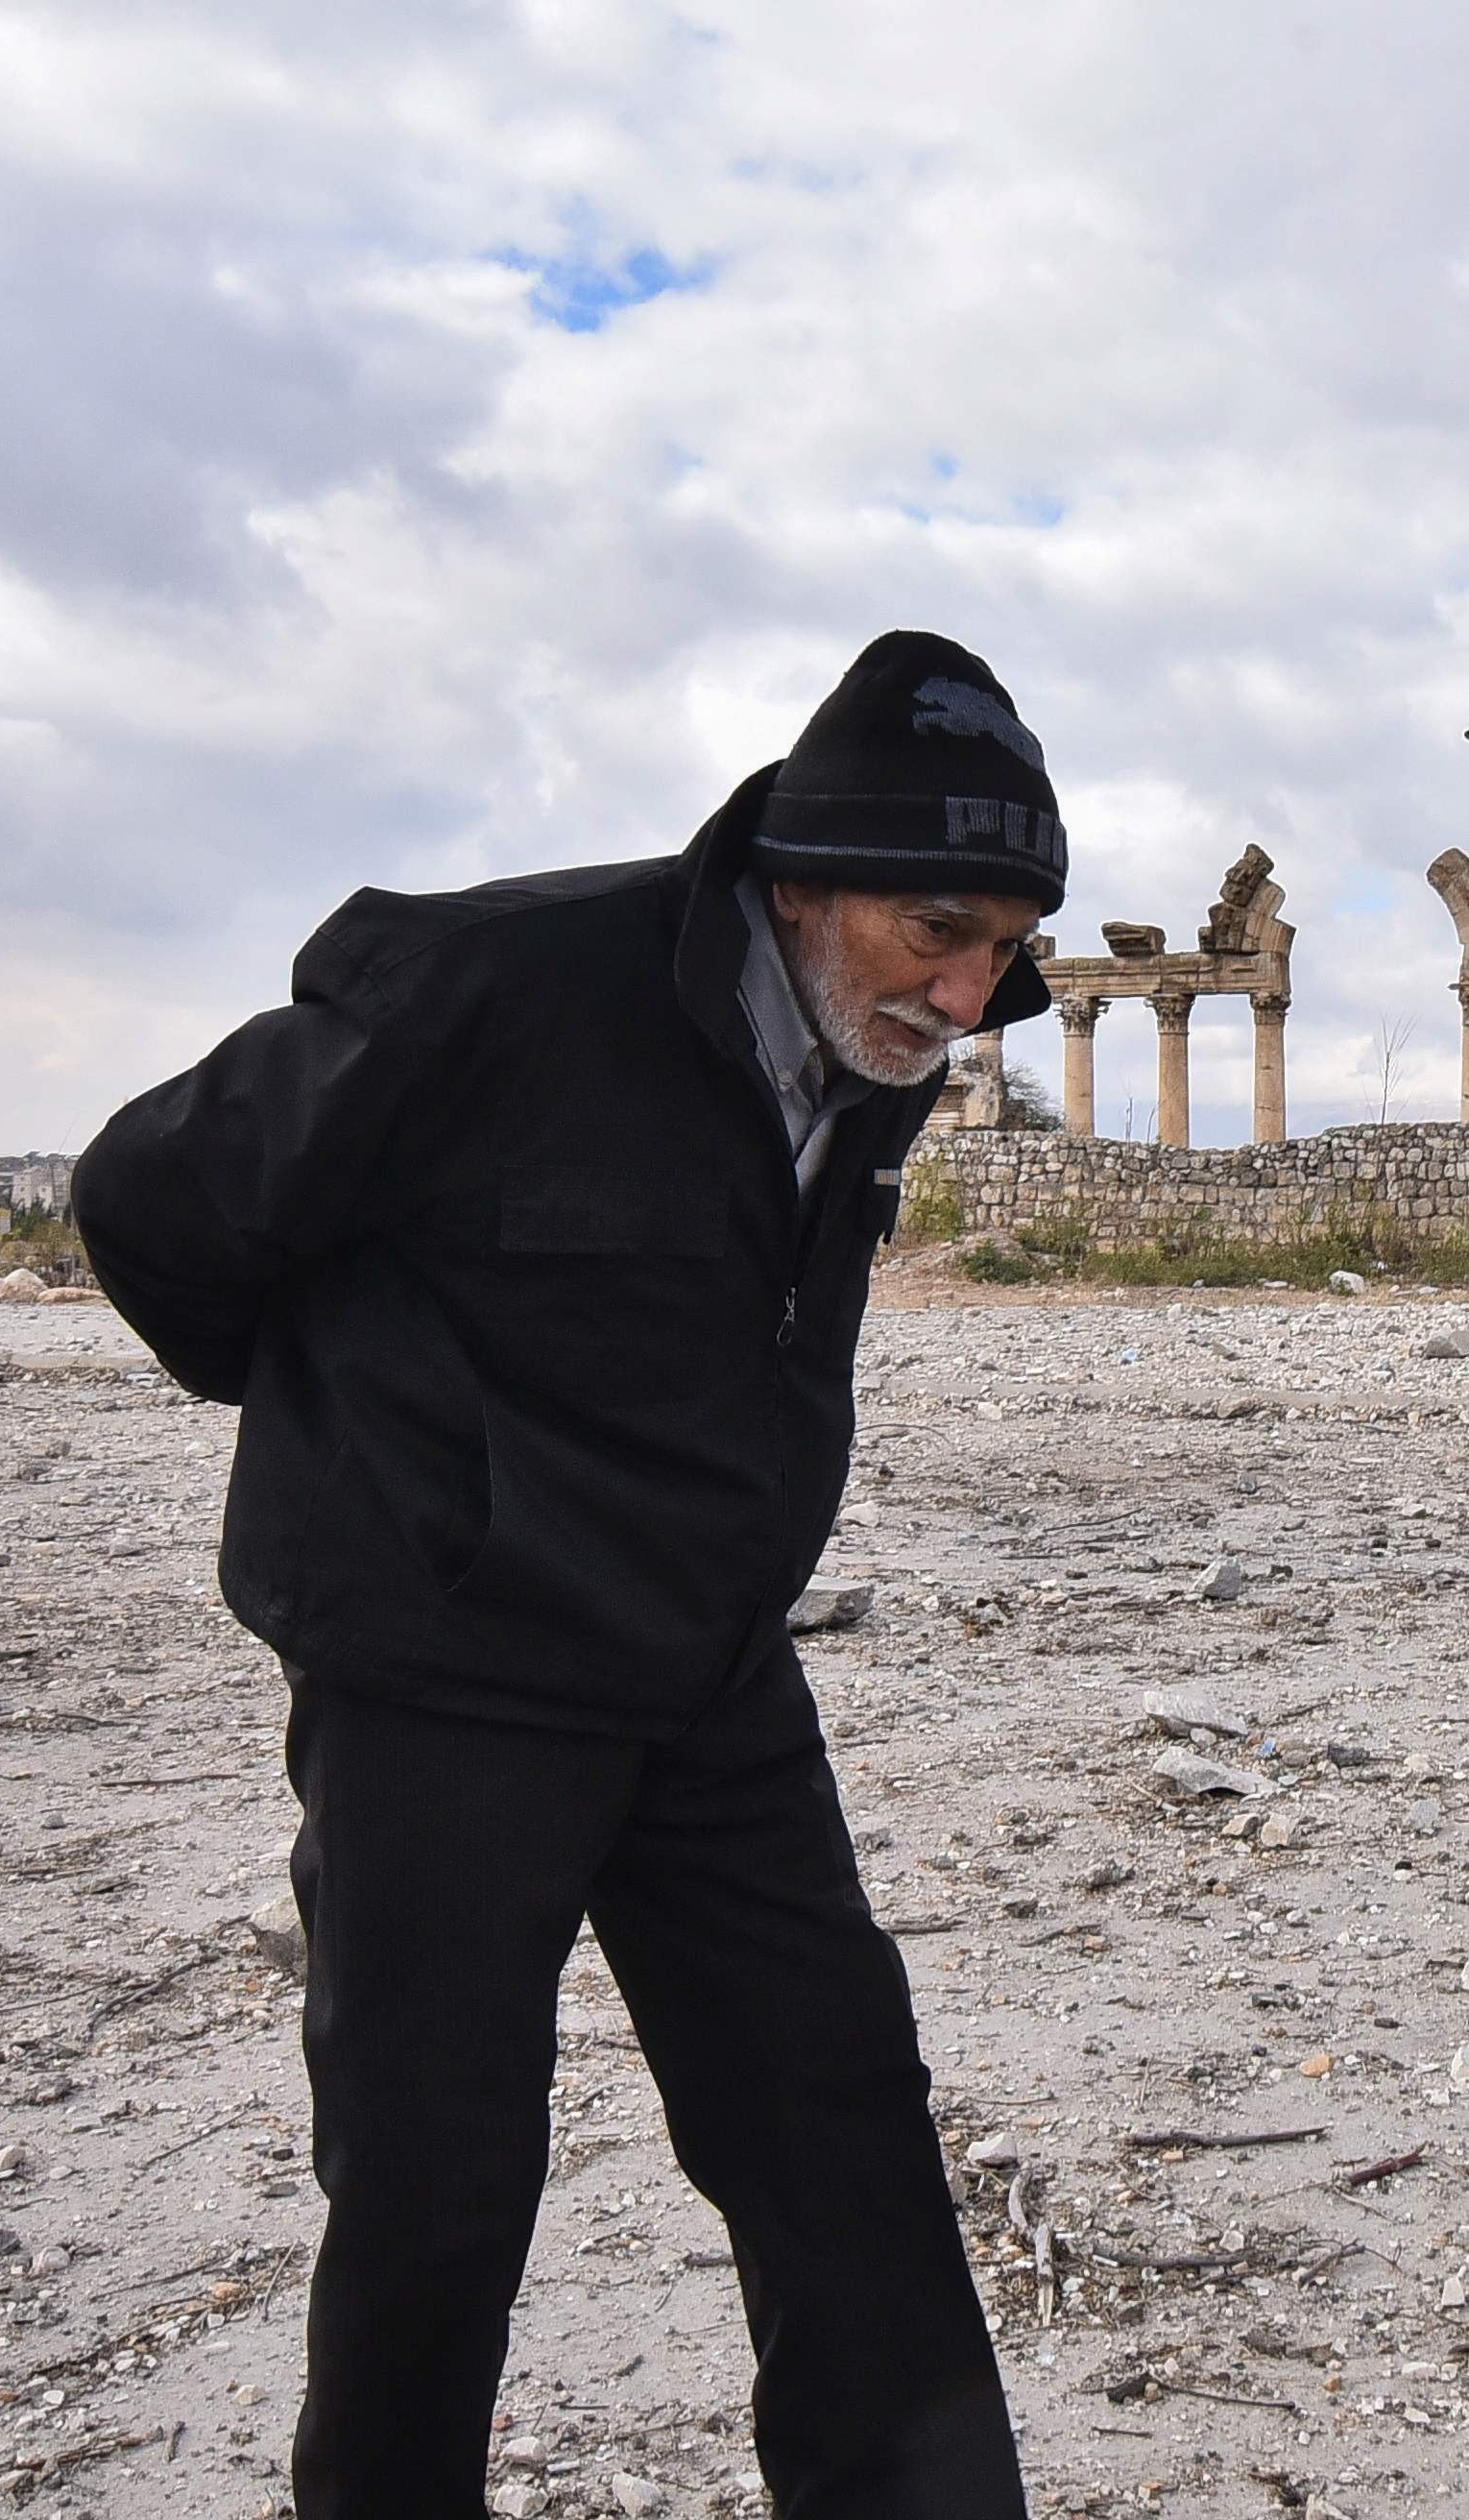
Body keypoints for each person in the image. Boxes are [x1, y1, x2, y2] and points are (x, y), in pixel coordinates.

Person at [72, 631, 1057, 2517]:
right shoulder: (497, 987)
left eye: (1002, 944)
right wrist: (390, 1467)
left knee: (840, 2132)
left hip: (706, 1671)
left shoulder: (891, 1048)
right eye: (939, 927)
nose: (970, 986)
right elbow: (150, 1199)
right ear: (798, 876)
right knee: (437, 2189)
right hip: (447, 1678)